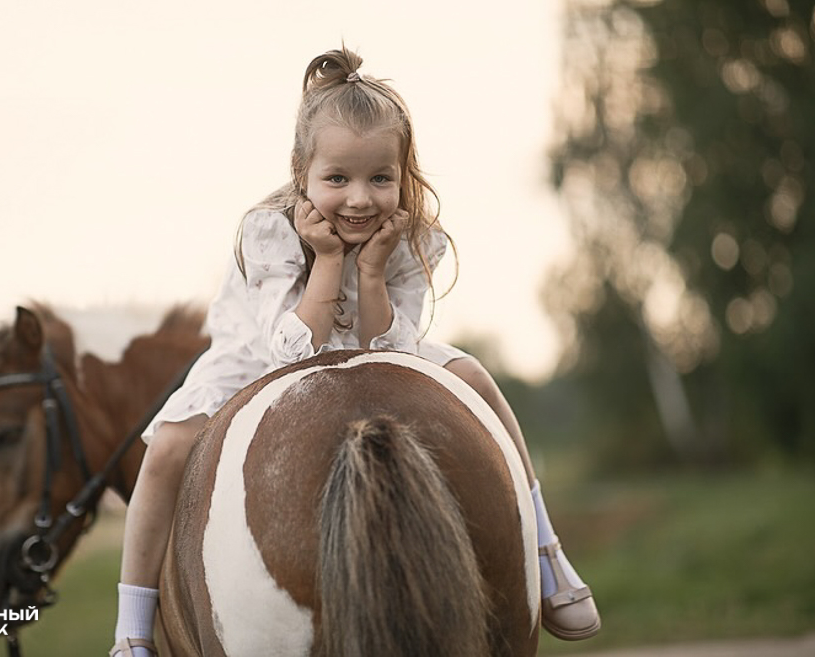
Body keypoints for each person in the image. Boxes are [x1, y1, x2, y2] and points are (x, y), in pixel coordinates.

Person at [110, 46, 600, 657]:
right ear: (302, 174)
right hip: (258, 354)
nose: (360, 200)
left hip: (369, 344)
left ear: (403, 173)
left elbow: (387, 354)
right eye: (337, 179)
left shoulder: (413, 237)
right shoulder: (269, 231)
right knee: (168, 449)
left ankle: (549, 559)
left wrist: (370, 275)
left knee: (475, 378)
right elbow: (290, 355)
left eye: (380, 179)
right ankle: (131, 627)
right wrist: (330, 263)